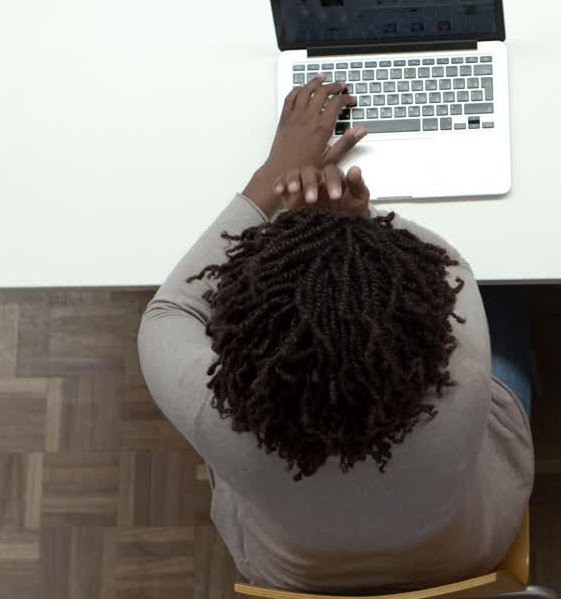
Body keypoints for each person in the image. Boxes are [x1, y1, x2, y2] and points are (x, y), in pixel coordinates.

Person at [138, 76, 533, 592]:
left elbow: (169, 310)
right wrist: (354, 222)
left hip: (288, 574)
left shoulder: (214, 416)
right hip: (464, 554)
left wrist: (273, 178)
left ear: (239, 327)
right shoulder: (462, 374)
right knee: (507, 299)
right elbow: (448, 267)